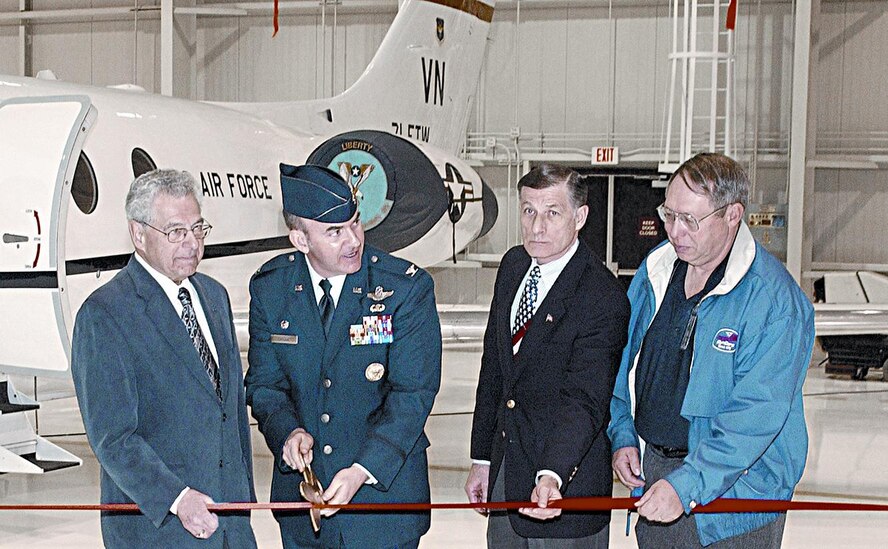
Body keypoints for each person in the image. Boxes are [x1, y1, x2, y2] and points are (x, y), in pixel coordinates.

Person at [608, 153, 815, 547]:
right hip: (658, 476)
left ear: (732, 215)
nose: (675, 231)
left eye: (690, 220)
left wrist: (688, 484)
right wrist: (623, 435)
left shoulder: (774, 301)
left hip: (736, 495)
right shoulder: (657, 270)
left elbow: (756, 413)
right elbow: (623, 361)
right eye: (669, 215)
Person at [245, 163, 442, 548]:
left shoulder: (404, 288)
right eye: (334, 232)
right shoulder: (272, 288)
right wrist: (287, 433)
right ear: (300, 240)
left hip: (383, 507)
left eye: (355, 223)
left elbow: (413, 393)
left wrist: (362, 470)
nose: (353, 240)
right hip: (305, 512)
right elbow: (265, 385)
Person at [71, 169, 257, 548]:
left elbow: (230, 412)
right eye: (176, 232)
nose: (192, 243)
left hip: (231, 526)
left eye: (198, 228)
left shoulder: (214, 296)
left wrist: (242, 503)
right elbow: (113, 438)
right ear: (138, 234)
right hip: (160, 528)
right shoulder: (105, 314)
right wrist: (178, 499)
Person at [465, 164, 630, 548]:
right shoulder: (513, 266)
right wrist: (483, 459)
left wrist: (551, 473)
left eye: (552, 213)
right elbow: (494, 369)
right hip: (506, 478)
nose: (536, 226)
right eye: (528, 211)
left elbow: (585, 399)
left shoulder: (601, 296)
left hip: (564, 491)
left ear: (580, 217)